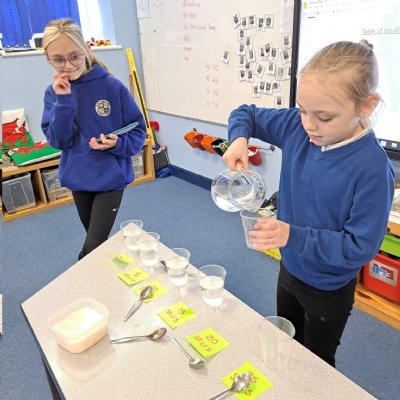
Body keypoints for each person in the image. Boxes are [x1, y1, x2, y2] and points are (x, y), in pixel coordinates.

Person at [223, 41, 394, 367]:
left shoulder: (372, 169)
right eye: (302, 110)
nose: (309, 124)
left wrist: (292, 236)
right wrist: (239, 138)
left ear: (366, 106)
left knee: (316, 365)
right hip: (290, 268)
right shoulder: (296, 126)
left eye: (324, 117)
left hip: (328, 288)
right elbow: (246, 113)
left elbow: (360, 247)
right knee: (285, 343)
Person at [41, 19, 147, 260]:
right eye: (58, 59)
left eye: (74, 56)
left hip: (110, 179)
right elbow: (59, 141)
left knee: (93, 246)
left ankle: (78, 278)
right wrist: (63, 100)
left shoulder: (112, 86)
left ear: (86, 49)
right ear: (47, 57)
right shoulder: (52, 93)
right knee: (97, 242)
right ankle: (106, 276)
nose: (68, 65)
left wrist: (117, 143)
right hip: (78, 178)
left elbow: (137, 130)